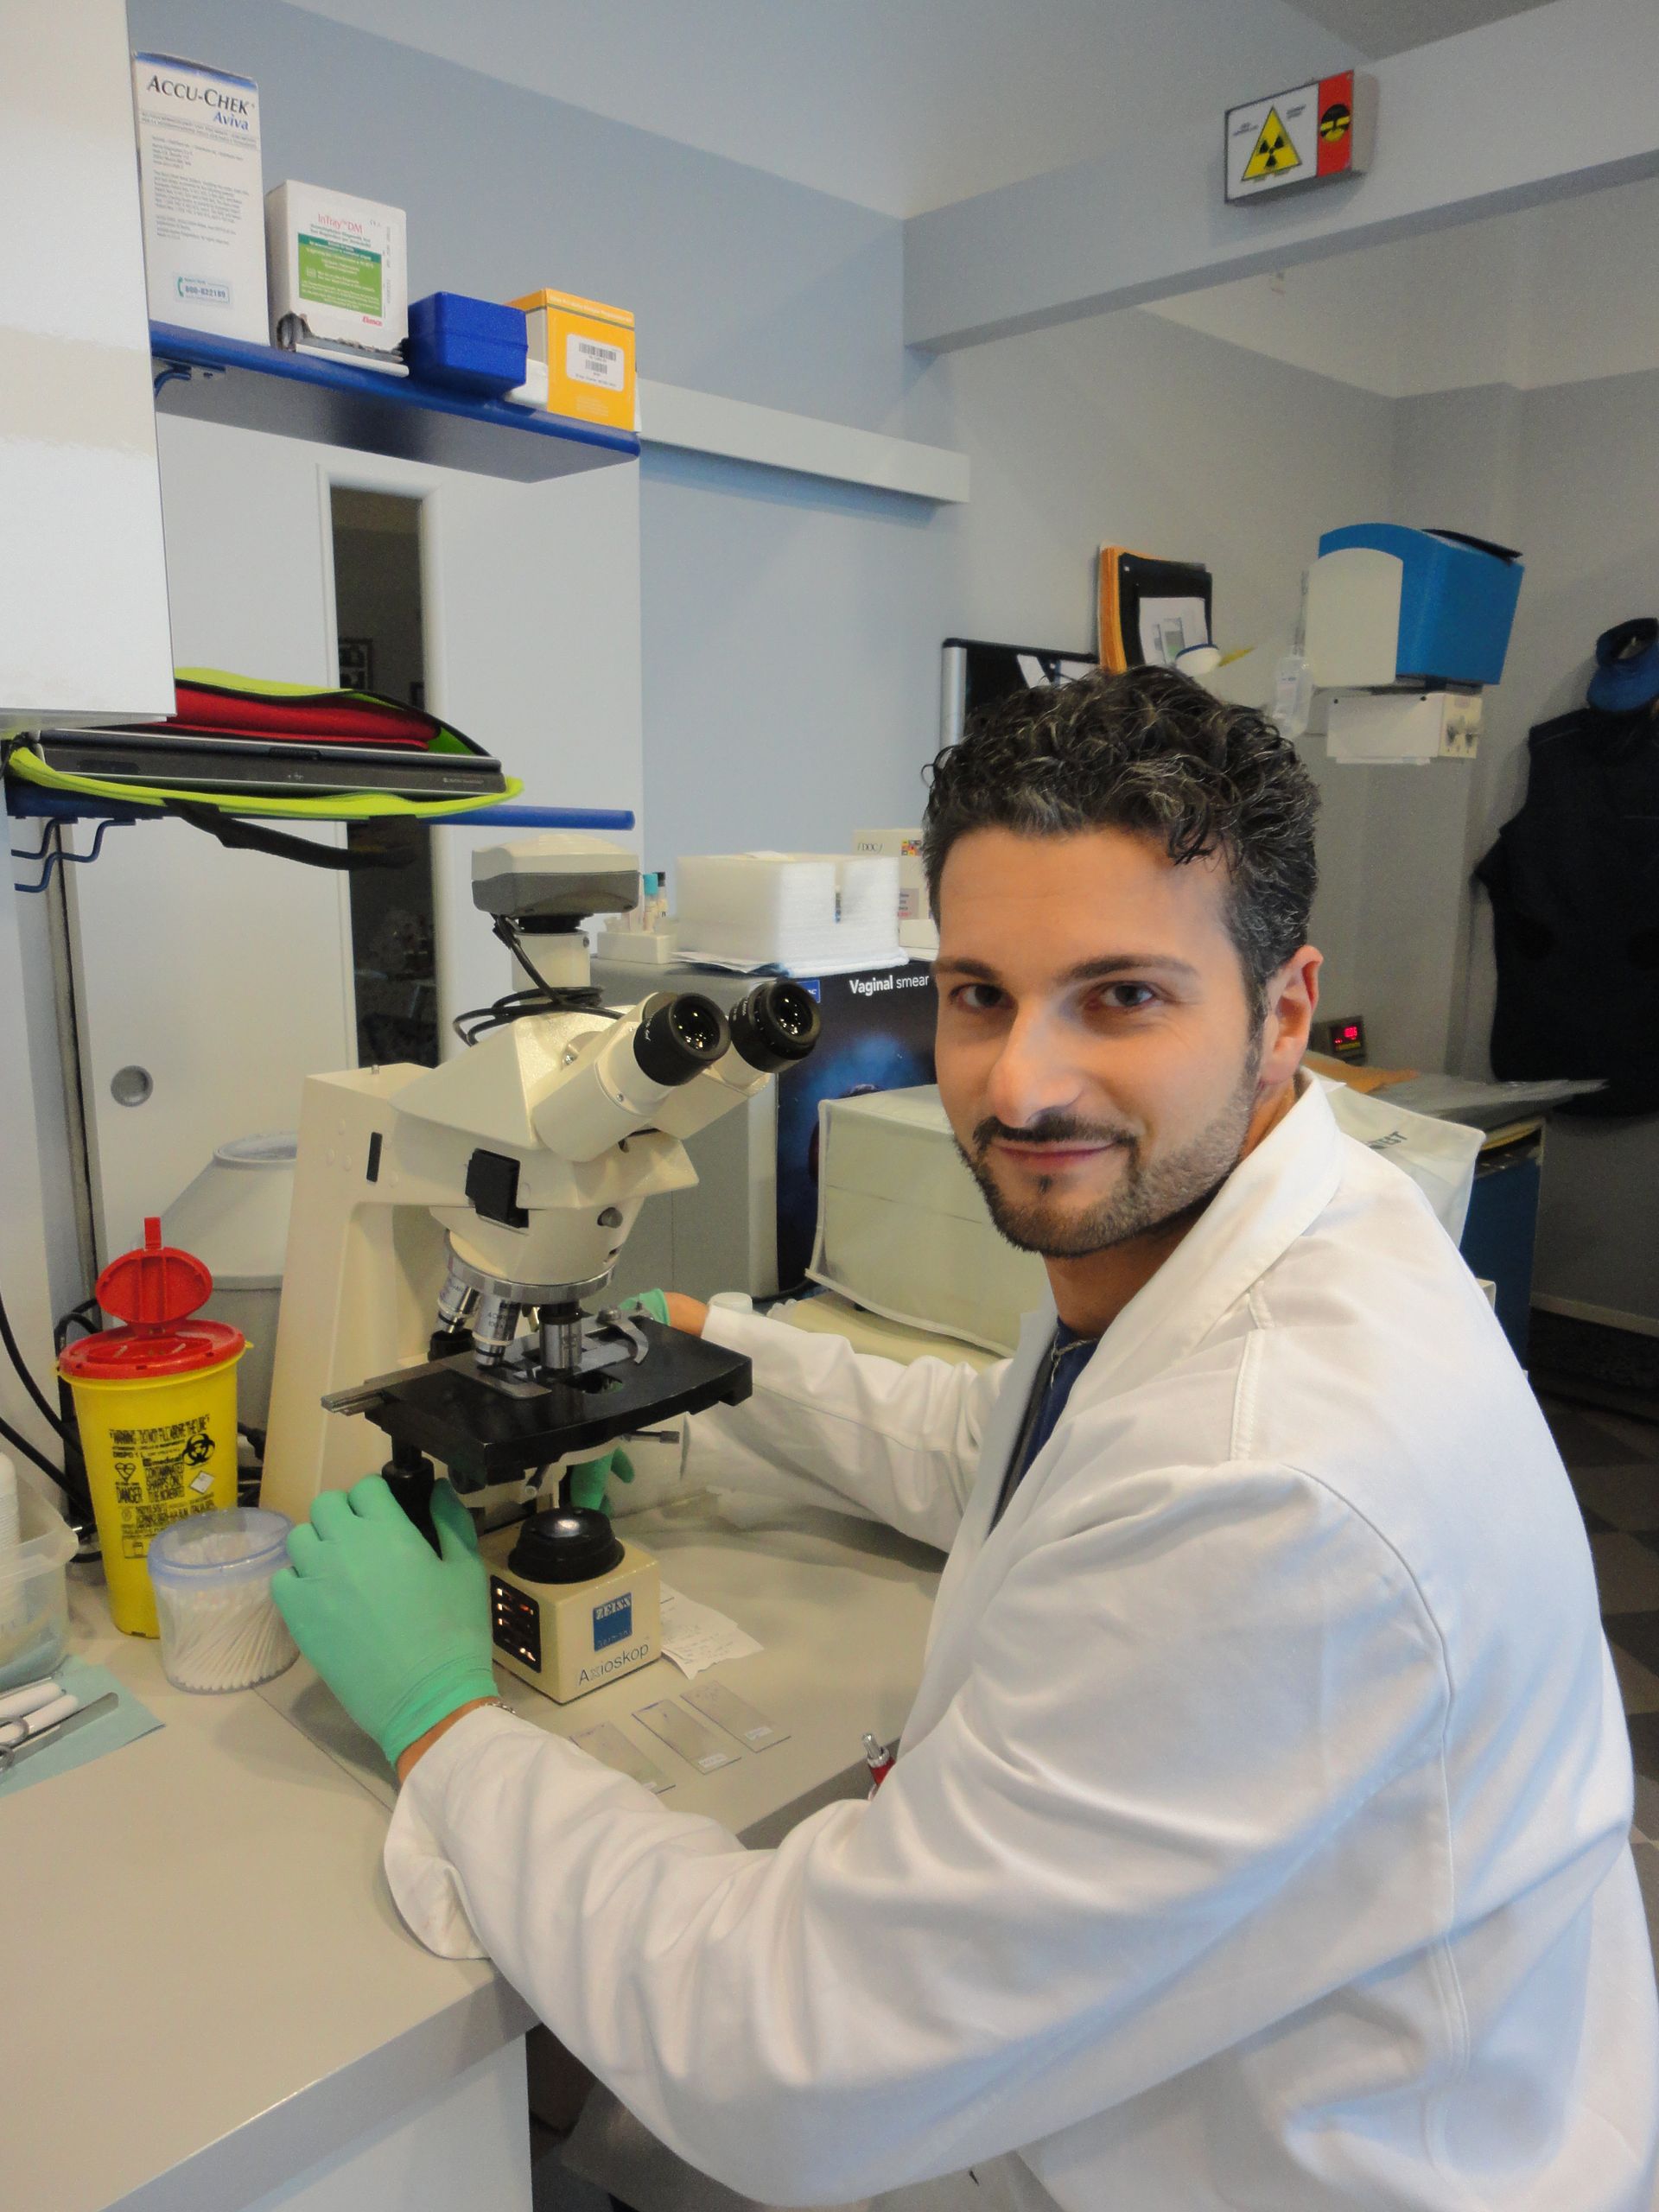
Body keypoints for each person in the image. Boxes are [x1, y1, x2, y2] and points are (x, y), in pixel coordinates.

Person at [274, 666, 1659, 2212]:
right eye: (980, 994)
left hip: (1292, 2173)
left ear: (1280, 1013)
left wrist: (445, 1727)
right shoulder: (1273, 1228)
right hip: (1228, 2086)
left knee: (571, 2114)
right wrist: (715, 1353)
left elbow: (785, 2059)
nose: (1023, 1084)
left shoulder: (1274, 1489)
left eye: (1122, 996)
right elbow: (1014, 1449)